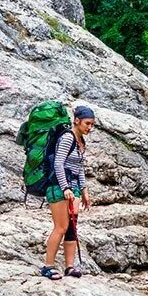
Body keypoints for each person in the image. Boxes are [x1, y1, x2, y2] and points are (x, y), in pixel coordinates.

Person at [41, 105, 95, 280]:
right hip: (58, 187)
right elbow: (58, 163)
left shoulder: (81, 141)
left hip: (74, 187)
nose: (90, 128)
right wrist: (65, 187)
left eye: (92, 124)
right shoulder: (67, 138)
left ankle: (69, 267)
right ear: (77, 121)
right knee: (61, 227)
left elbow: (79, 167)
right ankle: (48, 267)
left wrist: (84, 190)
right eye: (87, 123)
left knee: (71, 227)